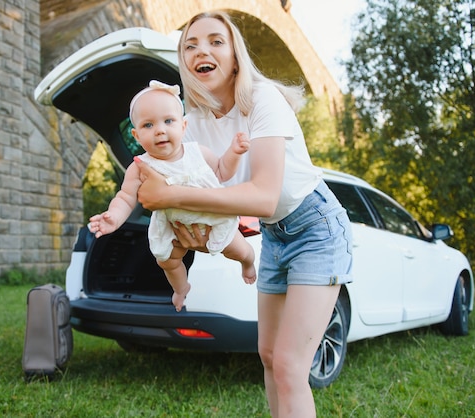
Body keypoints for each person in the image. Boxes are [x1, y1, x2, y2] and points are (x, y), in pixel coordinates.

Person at [134, 11, 353, 418]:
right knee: (268, 354)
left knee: (290, 365)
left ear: (235, 55)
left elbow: (264, 197)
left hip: (316, 227)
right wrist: (188, 233)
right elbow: (202, 199)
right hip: (274, 237)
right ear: (184, 62)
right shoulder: (191, 122)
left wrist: (168, 196)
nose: (203, 50)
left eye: (216, 41)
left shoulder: (263, 99)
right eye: (191, 45)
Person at [88, 80, 256, 312]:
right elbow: (126, 197)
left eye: (168, 121)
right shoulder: (139, 167)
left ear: (183, 126)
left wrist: (234, 152)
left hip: (213, 217)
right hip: (173, 225)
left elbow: (222, 171)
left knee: (238, 249)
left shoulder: (198, 153)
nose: (160, 130)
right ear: (136, 135)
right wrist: (114, 218)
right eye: (148, 125)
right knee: (166, 260)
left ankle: (248, 262)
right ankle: (180, 288)